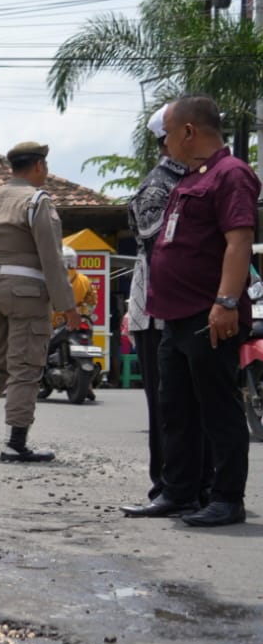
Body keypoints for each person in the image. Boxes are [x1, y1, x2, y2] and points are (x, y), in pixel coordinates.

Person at [122, 95, 257, 527]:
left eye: (168, 136)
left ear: (188, 132)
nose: (165, 146)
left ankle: (226, 498)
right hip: (174, 316)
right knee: (174, 409)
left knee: (218, 409)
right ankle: (177, 493)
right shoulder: (191, 177)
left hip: (209, 313)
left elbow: (238, 243)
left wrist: (226, 302)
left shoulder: (231, 174)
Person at [0, 142, 79, 463]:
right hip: (25, 294)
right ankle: (16, 443)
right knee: (25, 366)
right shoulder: (38, 201)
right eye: (46, 166)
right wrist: (68, 305)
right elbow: (52, 258)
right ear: (39, 166)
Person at [121, 104, 188, 502]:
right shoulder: (159, 185)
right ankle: (166, 485)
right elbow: (159, 244)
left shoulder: (201, 178)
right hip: (156, 311)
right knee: (165, 406)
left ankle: (196, 485)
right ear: (175, 137)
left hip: (186, 309)